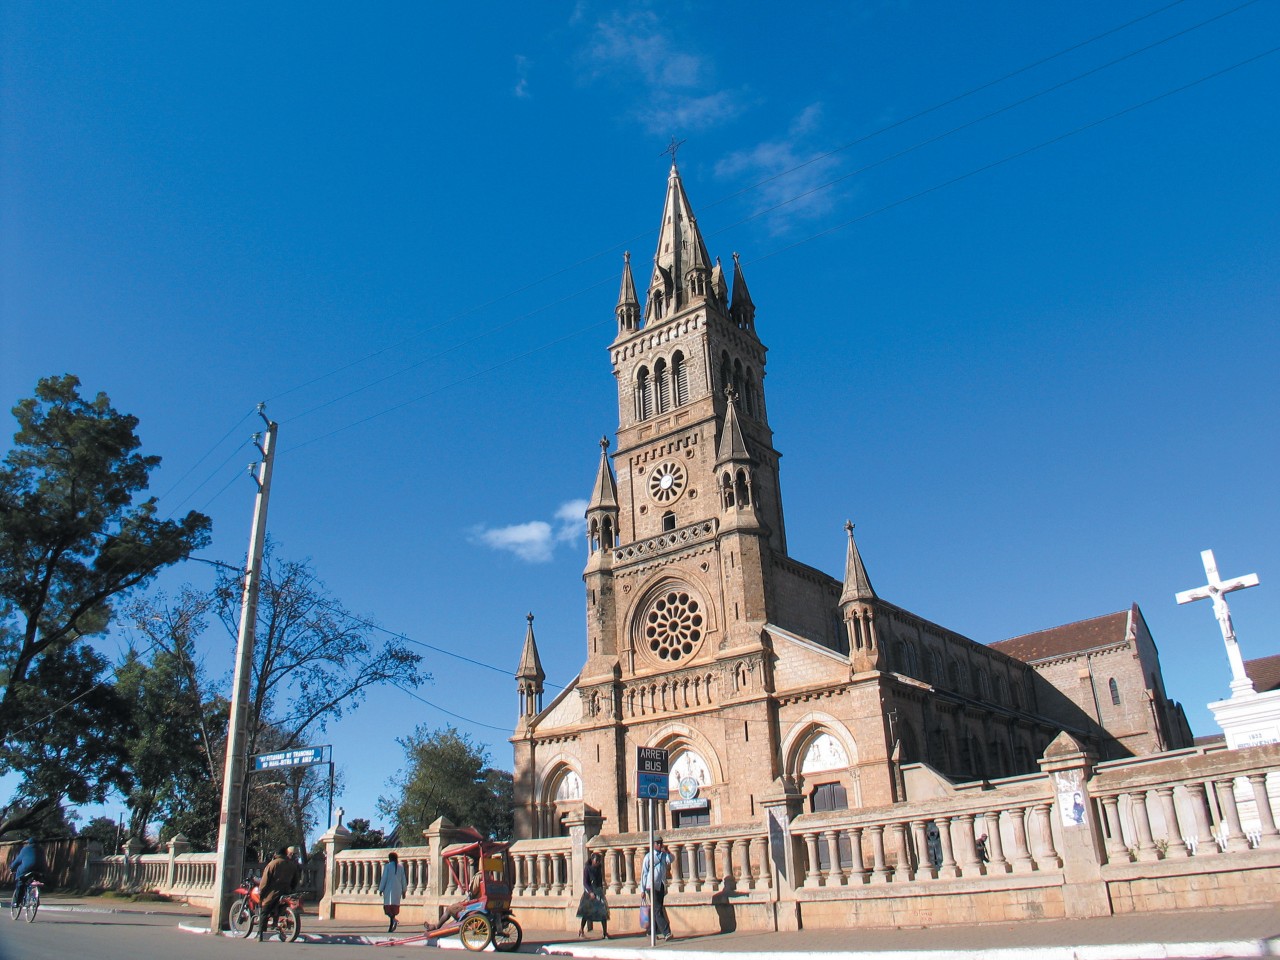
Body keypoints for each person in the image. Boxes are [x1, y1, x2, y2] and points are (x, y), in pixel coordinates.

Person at [424, 855, 482, 932]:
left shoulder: (478, 876)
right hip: (478, 902)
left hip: (474, 903)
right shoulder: (488, 875)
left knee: (449, 909)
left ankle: (437, 926)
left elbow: (472, 892)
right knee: (456, 907)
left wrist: (466, 892)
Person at [257, 846, 300, 941]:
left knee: (264, 911)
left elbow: (264, 881)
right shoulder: (292, 865)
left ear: (276, 854)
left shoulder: (272, 864)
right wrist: (291, 889)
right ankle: (276, 924)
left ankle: (260, 934)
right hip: (286, 892)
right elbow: (295, 881)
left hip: (273, 893)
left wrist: (261, 892)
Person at [640, 837, 673, 940]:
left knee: (657, 908)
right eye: (657, 843)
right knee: (658, 909)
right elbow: (644, 874)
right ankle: (666, 932)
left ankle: (651, 931)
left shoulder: (664, 856)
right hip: (651, 885)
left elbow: (671, 859)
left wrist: (667, 851)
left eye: (661, 843)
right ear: (653, 844)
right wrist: (642, 889)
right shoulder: (648, 857)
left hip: (661, 885)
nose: (659, 845)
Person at [576, 850, 610, 939]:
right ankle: (581, 930)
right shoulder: (587, 868)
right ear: (592, 860)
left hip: (598, 891)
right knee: (586, 913)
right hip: (589, 892)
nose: (598, 863)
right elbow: (585, 882)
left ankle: (605, 932)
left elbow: (600, 880)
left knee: (603, 911)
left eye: (599, 861)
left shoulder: (599, 868)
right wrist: (590, 892)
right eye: (596, 861)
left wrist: (601, 890)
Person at [379, 851, 408, 934]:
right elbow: (403, 880)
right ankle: (391, 925)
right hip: (397, 890)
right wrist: (404, 891)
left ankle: (393, 921)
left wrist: (381, 889)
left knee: (387, 909)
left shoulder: (387, 867)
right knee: (394, 909)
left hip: (389, 890)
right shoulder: (400, 867)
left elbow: (384, 878)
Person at [8, 838, 39, 909]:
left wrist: (12, 868)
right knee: (35, 881)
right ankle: (36, 899)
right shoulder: (41, 850)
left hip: (26, 870)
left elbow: (18, 860)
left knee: (20, 883)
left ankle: (16, 902)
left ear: (29, 843)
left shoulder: (25, 849)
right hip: (40, 870)